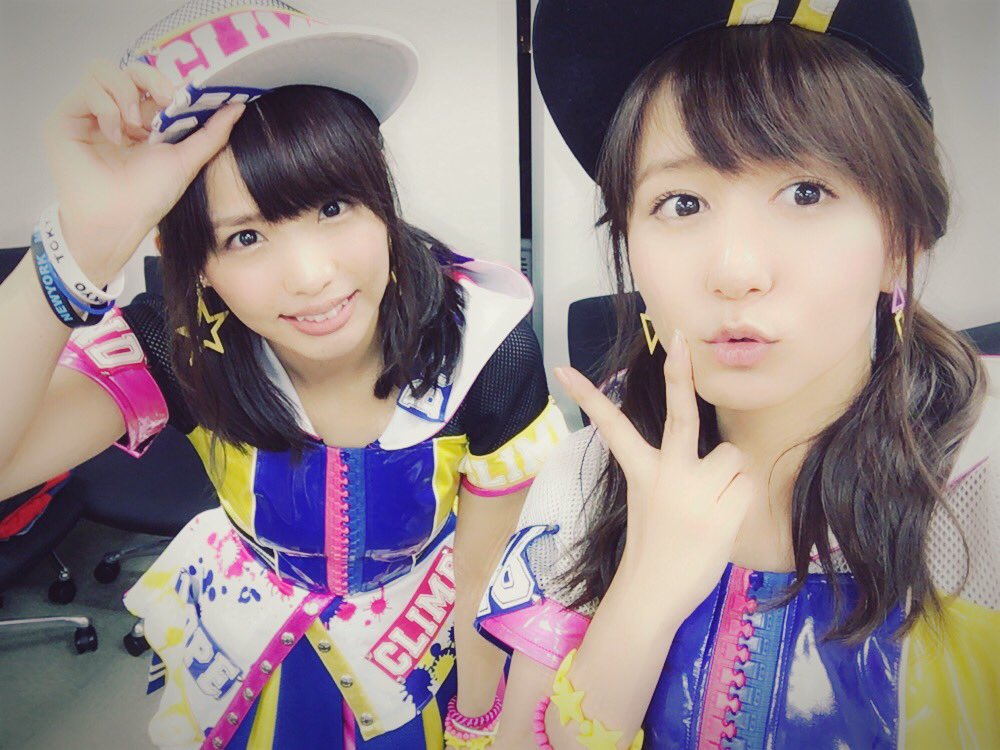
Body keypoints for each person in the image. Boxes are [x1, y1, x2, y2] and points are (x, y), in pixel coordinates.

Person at [0, 1, 566, 747]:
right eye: (244, 237)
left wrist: (477, 720)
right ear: (194, 264)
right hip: (248, 643)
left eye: (333, 207)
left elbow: (483, 568)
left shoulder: (482, 345)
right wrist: (80, 242)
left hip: (423, 649)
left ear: (381, 198)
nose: (310, 276)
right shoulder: (181, 345)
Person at [475, 1, 999, 748]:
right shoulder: (589, 476)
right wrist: (643, 594)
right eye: (682, 203)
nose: (735, 270)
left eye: (806, 193)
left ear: (902, 239)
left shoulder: (980, 488)